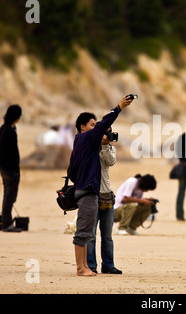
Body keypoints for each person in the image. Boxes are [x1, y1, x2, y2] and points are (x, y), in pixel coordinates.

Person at [67, 96, 133, 276]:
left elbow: (71, 169)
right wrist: (119, 107)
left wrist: (80, 181)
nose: (97, 129)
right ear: (83, 127)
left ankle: (87, 266)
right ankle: (83, 267)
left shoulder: (79, 142)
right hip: (89, 191)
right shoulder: (89, 139)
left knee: (95, 233)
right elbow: (106, 121)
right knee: (86, 233)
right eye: (92, 125)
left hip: (89, 190)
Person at [87, 127, 122, 274]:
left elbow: (111, 162)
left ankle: (108, 264)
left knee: (107, 235)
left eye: (109, 132)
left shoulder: (110, 149)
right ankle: (90, 265)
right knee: (91, 235)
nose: (107, 135)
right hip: (91, 195)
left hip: (107, 194)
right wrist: (97, 144)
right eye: (104, 132)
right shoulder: (88, 147)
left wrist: (105, 145)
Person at [0, 104, 23, 233]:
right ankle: (7, 223)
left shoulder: (4, 128)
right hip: (10, 170)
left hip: (4, 168)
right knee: (10, 197)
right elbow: (10, 153)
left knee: (7, 195)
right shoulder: (9, 132)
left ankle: (6, 220)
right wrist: (15, 169)